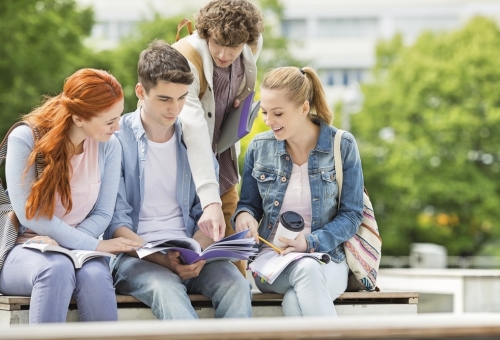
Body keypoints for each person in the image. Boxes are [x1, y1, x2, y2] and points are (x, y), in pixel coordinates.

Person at [103, 40, 252, 320]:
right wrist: (163, 260)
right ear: (140, 92)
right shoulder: (115, 139)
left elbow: (205, 212)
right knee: (167, 289)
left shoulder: (193, 137)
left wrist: (196, 252)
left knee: (236, 285)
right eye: (164, 99)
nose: (175, 109)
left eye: (182, 98)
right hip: (135, 257)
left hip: (189, 252)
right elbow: (115, 223)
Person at [0, 69, 143, 324]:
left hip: (79, 248)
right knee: (55, 268)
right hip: (22, 249)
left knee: (96, 276)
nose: (117, 127)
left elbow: (102, 213)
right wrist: (96, 246)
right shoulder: (25, 138)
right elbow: (28, 214)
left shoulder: (110, 146)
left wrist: (70, 244)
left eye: (119, 116)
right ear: (78, 118)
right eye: (109, 120)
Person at [233, 66, 365, 317]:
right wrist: (244, 216)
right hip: (272, 262)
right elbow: (248, 204)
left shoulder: (342, 145)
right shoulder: (259, 148)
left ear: (304, 108)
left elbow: (351, 215)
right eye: (264, 112)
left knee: (297, 297)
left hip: (327, 259)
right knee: (306, 270)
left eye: (278, 113)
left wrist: (310, 242)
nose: (268, 121)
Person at [177, 0, 264, 276]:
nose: (225, 55)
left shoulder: (252, 44)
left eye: (234, 47)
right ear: (205, 33)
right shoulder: (184, 60)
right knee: (184, 260)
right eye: (218, 43)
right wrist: (209, 200)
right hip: (182, 168)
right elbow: (193, 128)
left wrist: (237, 98)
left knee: (235, 260)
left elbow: (241, 81)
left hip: (223, 166)